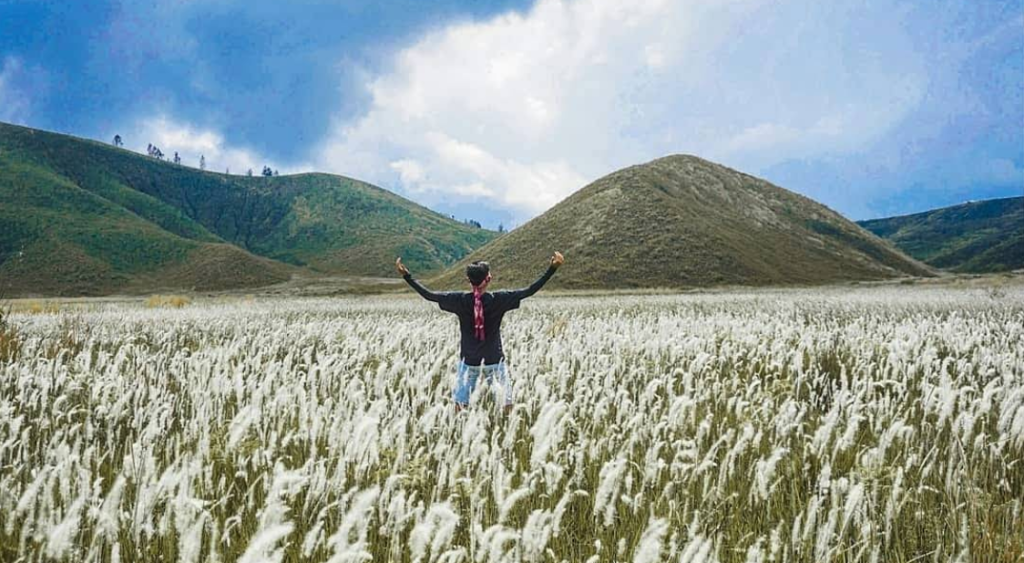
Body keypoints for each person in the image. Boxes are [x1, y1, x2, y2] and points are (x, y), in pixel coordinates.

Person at [396, 252, 564, 410]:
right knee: (506, 403)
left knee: (460, 404)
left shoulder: (459, 300)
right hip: (494, 360)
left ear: (468, 280)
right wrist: (552, 268)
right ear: (488, 278)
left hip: (469, 361)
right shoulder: (500, 299)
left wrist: (407, 277)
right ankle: (506, 426)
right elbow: (530, 290)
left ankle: (459, 431)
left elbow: (429, 295)